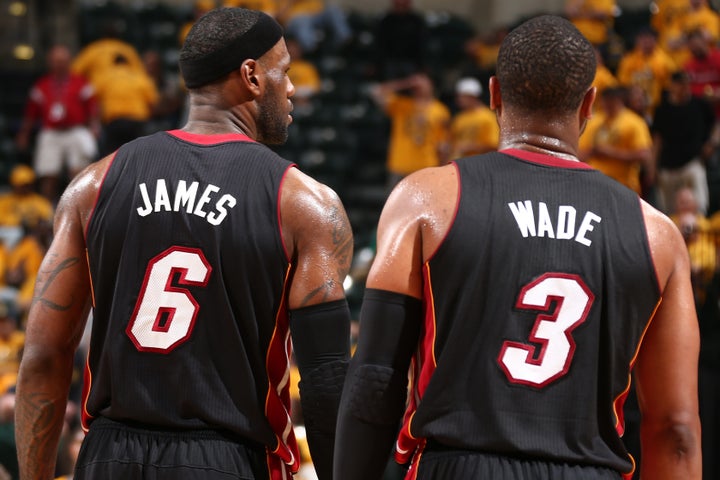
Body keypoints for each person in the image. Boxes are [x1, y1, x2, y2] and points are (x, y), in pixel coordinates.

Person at [335, 14, 702, 480]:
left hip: (457, 465)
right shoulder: (657, 234)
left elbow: (374, 380)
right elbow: (676, 429)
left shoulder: (427, 199)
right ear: (588, 103)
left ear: (494, 94)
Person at [15, 7, 352, 480]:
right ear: (252, 76)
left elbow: (44, 356)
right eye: (285, 71)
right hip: (228, 457)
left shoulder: (93, 185)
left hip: (110, 455)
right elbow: (326, 382)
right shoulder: (304, 203)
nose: (291, 88)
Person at [15, 45, 100, 202]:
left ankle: (78, 211)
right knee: (48, 174)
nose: (60, 64)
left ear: (69, 62)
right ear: (50, 63)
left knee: (79, 174)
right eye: (56, 61)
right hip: (51, 132)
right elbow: (30, 114)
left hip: (76, 130)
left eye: (63, 61)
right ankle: (47, 213)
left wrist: (94, 127)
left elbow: (92, 108)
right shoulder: (42, 85)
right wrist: (24, 134)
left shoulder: (80, 82)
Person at [370, 73, 450, 189]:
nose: (419, 84)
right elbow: (376, 92)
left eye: (423, 80)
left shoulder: (440, 110)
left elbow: (443, 145)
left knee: (424, 206)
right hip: (400, 165)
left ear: (431, 85)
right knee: (395, 206)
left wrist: (442, 169)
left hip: (426, 167)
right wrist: (405, 83)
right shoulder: (401, 104)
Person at [651, 70, 715, 214]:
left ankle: (700, 236)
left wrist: (712, 142)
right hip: (668, 166)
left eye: (687, 85)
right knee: (668, 212)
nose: (685, 88)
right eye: (681, 85)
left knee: (699, 207)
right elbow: (657, 140)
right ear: (672, 86)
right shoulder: (662, 109)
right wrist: (653, 166)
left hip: (692, 162)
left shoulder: (699, 104)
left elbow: (715, 123)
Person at [578, 86, 653, 196]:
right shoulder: (594, 121)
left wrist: (610, 152)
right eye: (604, 101)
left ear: (618, 100)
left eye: (610, 101)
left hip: (623, 185)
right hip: (595, 183)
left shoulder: (634, 122)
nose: (606, 105)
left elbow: (643, 154)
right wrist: (594, 151)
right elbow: (579, 154)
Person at [447, 77, 498, 162]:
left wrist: (469, 147)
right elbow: (451, 143)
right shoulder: (458, 118)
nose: (459, 99)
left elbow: (494, 145)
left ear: (472, 96)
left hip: (480, 164)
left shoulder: (487, 117)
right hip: (460, 165)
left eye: (462, 96)